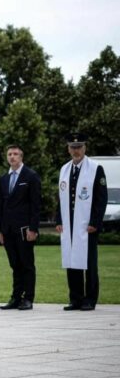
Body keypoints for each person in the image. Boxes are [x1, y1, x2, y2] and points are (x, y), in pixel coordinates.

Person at [55, 133, 108, 311]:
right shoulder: (64, 169)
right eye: (73, 147)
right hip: (69, 224)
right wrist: (59, 219)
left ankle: (90, 299)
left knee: (89, 263)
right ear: (68, 149)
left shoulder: (95, 168)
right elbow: (60, 198)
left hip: (87, 226)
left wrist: (95, 221)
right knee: (71, 260)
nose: (76, 150)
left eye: (79, 147)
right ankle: (75, 298)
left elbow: (101, 199)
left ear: (84, 147)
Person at [0, 145, 41, 310]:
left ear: (21, 157)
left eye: (15, 154)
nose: (12, 157)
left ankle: (28, 298)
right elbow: (0, 206)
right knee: (15, 265)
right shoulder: (4, 179)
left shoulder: (31, 176)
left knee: (27, 264)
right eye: (9, 154)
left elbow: (36, 205)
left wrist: (33, 228)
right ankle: (15, 297)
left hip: (24, 229)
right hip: (7, 230)